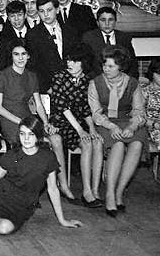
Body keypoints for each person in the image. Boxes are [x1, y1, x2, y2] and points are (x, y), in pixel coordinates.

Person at [87, 46, 146, 216]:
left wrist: (132, 127)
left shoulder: (133, 83)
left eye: (111, 66)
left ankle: (120, 191)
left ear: (121, 66)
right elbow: (96, 113)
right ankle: (110, 193)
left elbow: (138, 111)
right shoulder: (95, 83)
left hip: (127, 120)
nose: (106, 69)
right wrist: (111, 126)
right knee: (118, 145)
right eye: (105, 65)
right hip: (106, 122)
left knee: (137, 143)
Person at [48, 44, 103, 207]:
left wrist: (91, 128)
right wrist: (80, 130)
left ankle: (89, 191)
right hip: (60, 122)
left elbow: (86, 108)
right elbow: (62, 106)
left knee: (91, 142)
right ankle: (64, 186)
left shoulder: (87, 81)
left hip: (78, 122)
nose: (69, 63)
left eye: (74, 61)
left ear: (83, 63)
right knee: (57, 141)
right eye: (68, 60)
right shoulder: (59, 77)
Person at [0, 39, 48, 147]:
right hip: (9, 118)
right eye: (16, 54)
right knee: (25, 142)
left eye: (24, 54)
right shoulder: (3, 75)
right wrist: (20, 121)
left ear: (28, 56)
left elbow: (39, 105)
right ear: (11, 56)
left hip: (26, 116)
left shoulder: (32, 76)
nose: (20, 58)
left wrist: (46, 122)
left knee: (53, 140)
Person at [26, 0, 80, 92]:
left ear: (57, 9)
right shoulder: (32, 35)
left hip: (73, 86)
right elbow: (33, 66)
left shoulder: (71, 31)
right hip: (48, 88)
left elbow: (78, 58)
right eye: (42, 11)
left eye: (49, 10)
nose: (46, 14)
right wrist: (46, 88)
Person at [82, 6, 138, 79]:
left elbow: (132, 64)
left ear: (115, 21)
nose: (107, 24)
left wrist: (127, 81)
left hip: (121, 81)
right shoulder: (89, 38)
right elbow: (86, 65)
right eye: (103, 20)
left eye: (110, 20)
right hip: (97, 81)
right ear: (97, 22)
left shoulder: (124, 37)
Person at [140, 57, 160, 199]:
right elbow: (139, 117)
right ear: (152, 74)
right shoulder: (145, 92)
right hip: (150, 127)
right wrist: (156, 124)